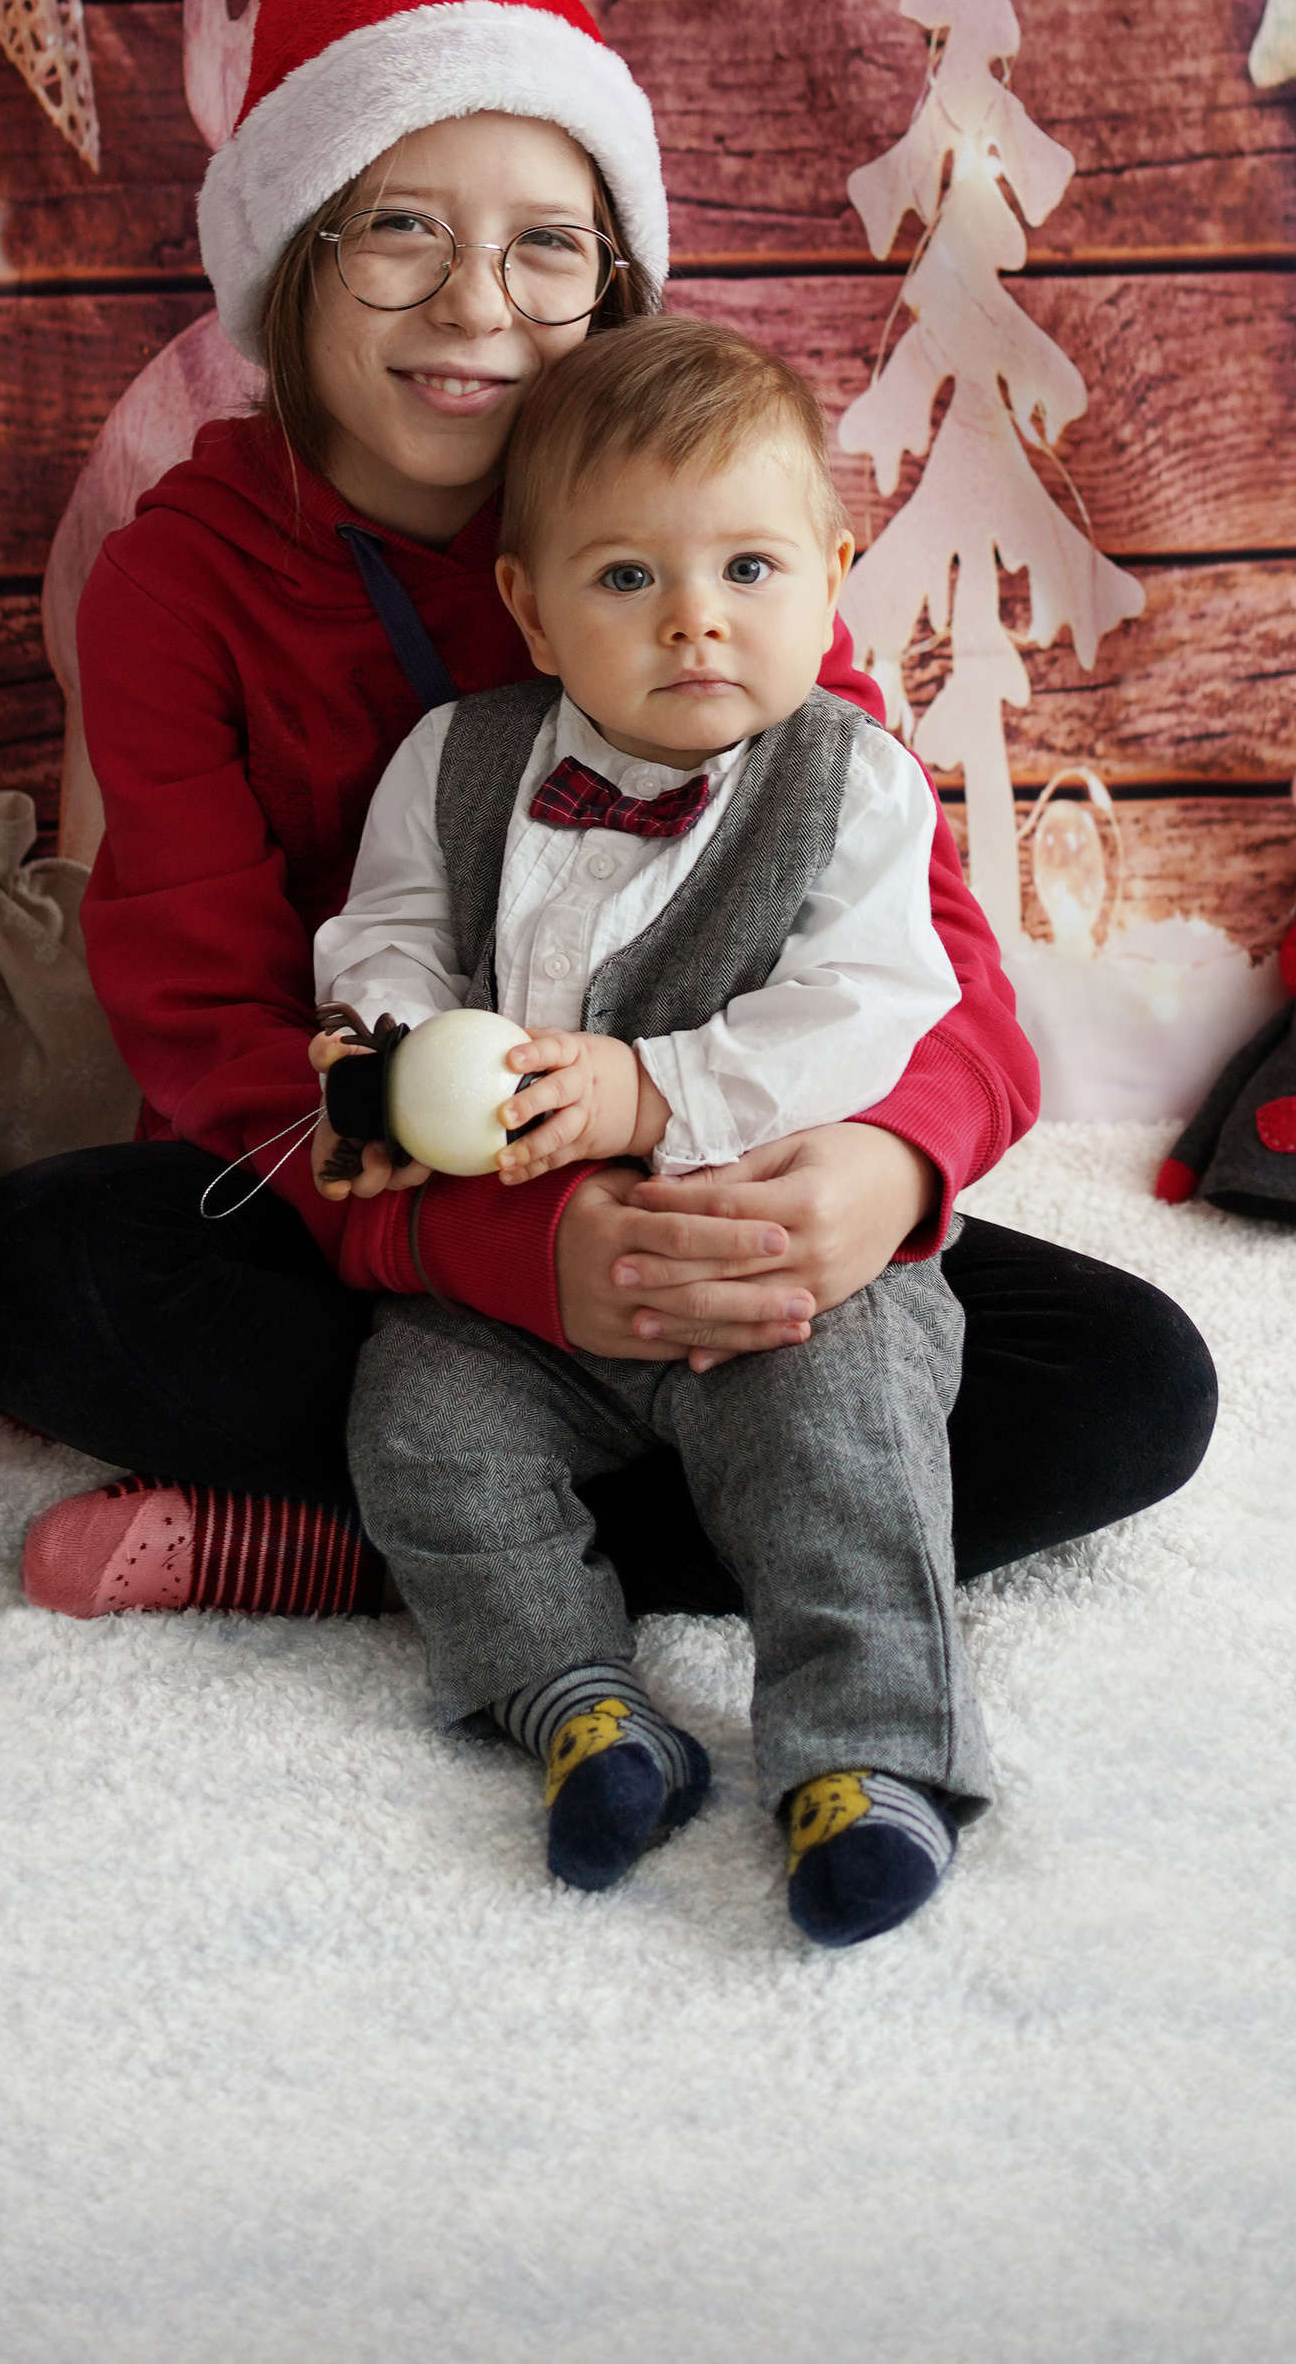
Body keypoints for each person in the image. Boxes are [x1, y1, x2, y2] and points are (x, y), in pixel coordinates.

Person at [0, 0, 1216, 1634]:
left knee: (1128, 1384)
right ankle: (534, 1516)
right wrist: (525, 1254)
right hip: (375, 1218)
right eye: (402, 236)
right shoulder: (176, 583)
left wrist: (886, 1171)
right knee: (33, 1276)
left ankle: (357, 1547)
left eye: (547, 246)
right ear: (294, 258)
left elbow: (939, 962)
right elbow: (213, 1051)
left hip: (713, 1147)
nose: (479, 308)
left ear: (611, 276)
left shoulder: (706, 534)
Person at [313, 313, 989, 1947]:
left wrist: (652, 1090)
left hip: (767, 1263)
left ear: (832, 573)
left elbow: (874, 1001)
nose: (697, 617)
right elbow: (388, 932)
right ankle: (576, 1696)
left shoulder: (858, 782)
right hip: (518, 1282)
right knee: (415, 1414)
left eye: (750, 568)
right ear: (530, 606)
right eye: (628, 579)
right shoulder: (456, 760)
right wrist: (393, 1055)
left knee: (851, 1439)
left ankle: (869, 1756)